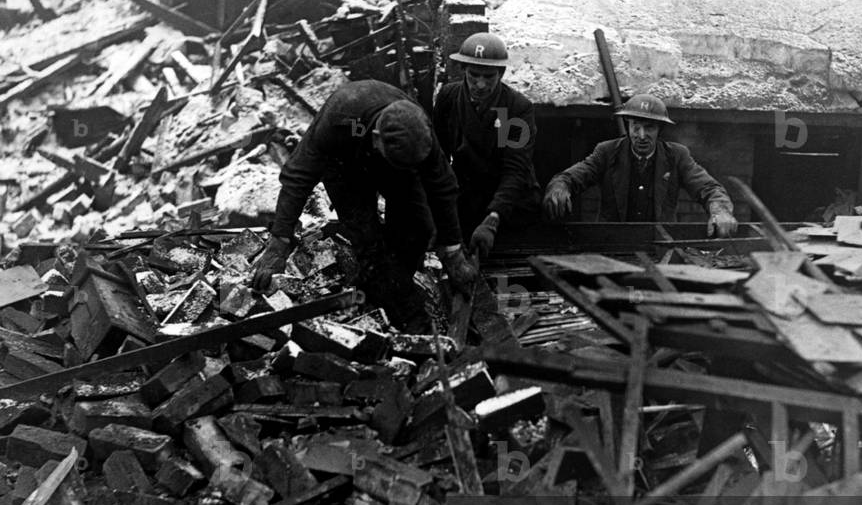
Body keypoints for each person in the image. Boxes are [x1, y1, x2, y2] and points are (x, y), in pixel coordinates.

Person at [251, 79, 478, 330]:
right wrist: (279, 242)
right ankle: (411, 318)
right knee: (369, 243)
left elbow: (443, 187)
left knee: (419, 229)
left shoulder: (417, 129)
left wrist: (453, 252)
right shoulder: (341, 119)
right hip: (344, 167)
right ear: (378, 137)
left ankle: (388, 286)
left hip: (396, 167)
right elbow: (298, 176)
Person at [543, 94, 738, 236]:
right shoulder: (607, 152)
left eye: (649, 127)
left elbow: (709, 188)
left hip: (661, 247)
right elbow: (571, 177)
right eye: (635, 126)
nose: (641, 135)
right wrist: (560, 186)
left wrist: (720, 210)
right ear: (627, 125)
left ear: (659, 129)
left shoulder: (677, 156)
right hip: (612, 246)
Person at [432, 32, 542, 260]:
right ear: (463, 70)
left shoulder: (517, 109)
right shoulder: (448, 98)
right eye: (474, 75)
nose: (480, 84)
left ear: (501, 74)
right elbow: (438, 157)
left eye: (489, 77)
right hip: (468, 199)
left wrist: (494, 217)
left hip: (510, 205)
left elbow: (515, 169)